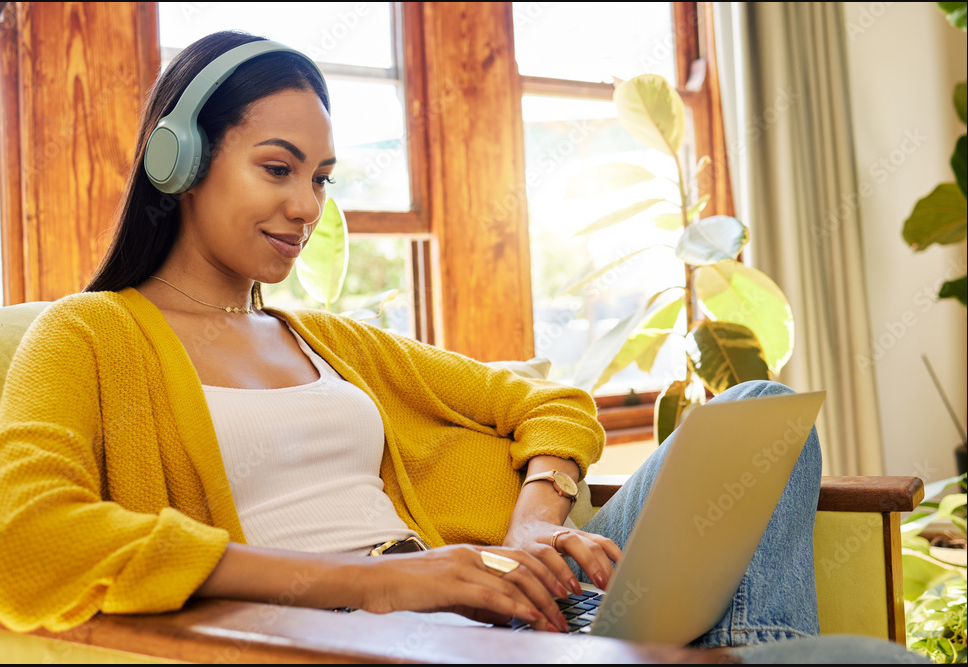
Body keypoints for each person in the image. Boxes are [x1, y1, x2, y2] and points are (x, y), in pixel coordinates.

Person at [0, 30, 928, 663]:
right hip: (386, 632)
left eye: (320, 178)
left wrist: (533, 520)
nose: (306, 205)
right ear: (180, 160)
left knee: (761, 416)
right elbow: (26, 539)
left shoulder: (328, 340)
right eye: (277, 167)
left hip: (508, 597)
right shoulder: (89, 333)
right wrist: (376, 584)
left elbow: (546, 404)